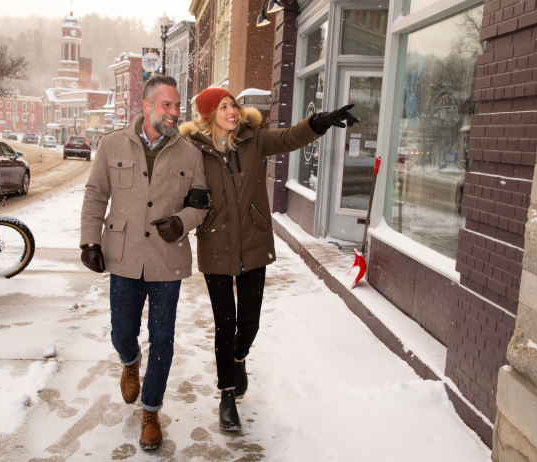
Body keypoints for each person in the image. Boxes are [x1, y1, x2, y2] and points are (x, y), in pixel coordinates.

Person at [179, 88, 358, 431]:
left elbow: (289, 138)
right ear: (207, 115)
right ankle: (227, 395)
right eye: (224, 107)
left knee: (249, 324)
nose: (233, 111)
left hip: (253, 241)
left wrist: (317, 123)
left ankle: (239, 357)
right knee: (223, 324)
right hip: (215, 243)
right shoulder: (193, 151)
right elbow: (176, 187)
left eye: (234, 104)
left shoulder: (253, 139)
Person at [80, 75, 209, 450]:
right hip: (123, 256)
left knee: (164, 338)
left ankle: (151, 411)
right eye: (166, 104)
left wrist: (182, 222)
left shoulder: (189, 151)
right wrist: (90, 240)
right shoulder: (112, 143)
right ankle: (130, 361)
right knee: (122, 330)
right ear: (147, 105)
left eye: (177, 105)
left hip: (167, 259)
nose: (173, 112)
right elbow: (95, 194)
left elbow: (200, 202)